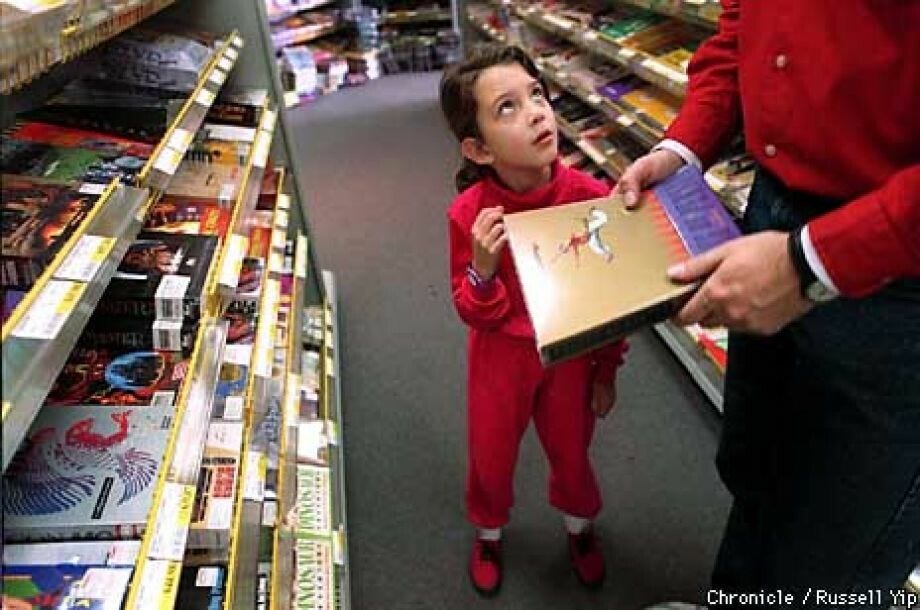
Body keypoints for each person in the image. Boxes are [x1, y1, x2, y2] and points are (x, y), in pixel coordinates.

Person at [614, 1, 919, 605]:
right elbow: (741, 28)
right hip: (772, 215)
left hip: (896, 278)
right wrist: (683, 148)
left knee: (833, 560)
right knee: (756, 475)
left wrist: (811, 263)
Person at [439, 44, 628, 596]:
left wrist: (607, 369)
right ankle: (489, 532)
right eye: (507, 108)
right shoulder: (469, 215)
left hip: (570, 355)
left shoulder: (591, 199)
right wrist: (482, 267)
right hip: (501, 359)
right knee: (491, 452)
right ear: (476, 148)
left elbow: (608, 300)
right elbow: (472, 311)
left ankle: (580, 528)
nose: (537, 112)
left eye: (537, 95)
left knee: (573, 451)